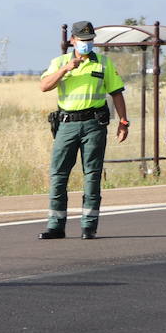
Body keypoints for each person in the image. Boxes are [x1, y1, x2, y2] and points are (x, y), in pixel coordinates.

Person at [39, 20, 129, 240]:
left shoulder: (104, 64)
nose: (86, 44)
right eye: (82, 40)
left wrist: (123, 122)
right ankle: (56, 225)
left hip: (93, 125)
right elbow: (44, 86)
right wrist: (65, 69)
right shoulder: (59, 62)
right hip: (66, 125)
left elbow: (117, 92)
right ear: (72, 40)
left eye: (89, 40)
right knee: (59, 174)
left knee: (92, 174)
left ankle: (89, 225)